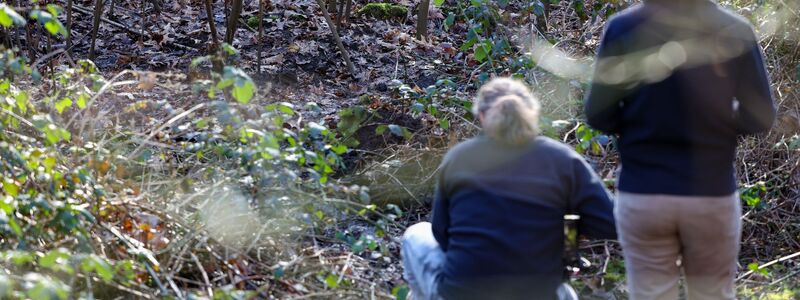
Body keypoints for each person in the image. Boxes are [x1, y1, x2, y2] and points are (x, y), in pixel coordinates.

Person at [584, 0, 776, 299]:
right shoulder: (733, 29)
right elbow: (761, 116)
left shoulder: (623, 28)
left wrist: (638, 127)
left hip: (644, 192)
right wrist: (721, 128)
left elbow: (598, 114)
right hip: (710, 192)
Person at [401, 78, 617, 300]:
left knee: (415, 234)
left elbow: (441, 233)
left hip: (463, 292)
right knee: (564, 293)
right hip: (538, 292)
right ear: (532, 115)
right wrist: (569, 227)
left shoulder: (460, 158)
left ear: (482, 116)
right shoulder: (562, 159)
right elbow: (611, 224)